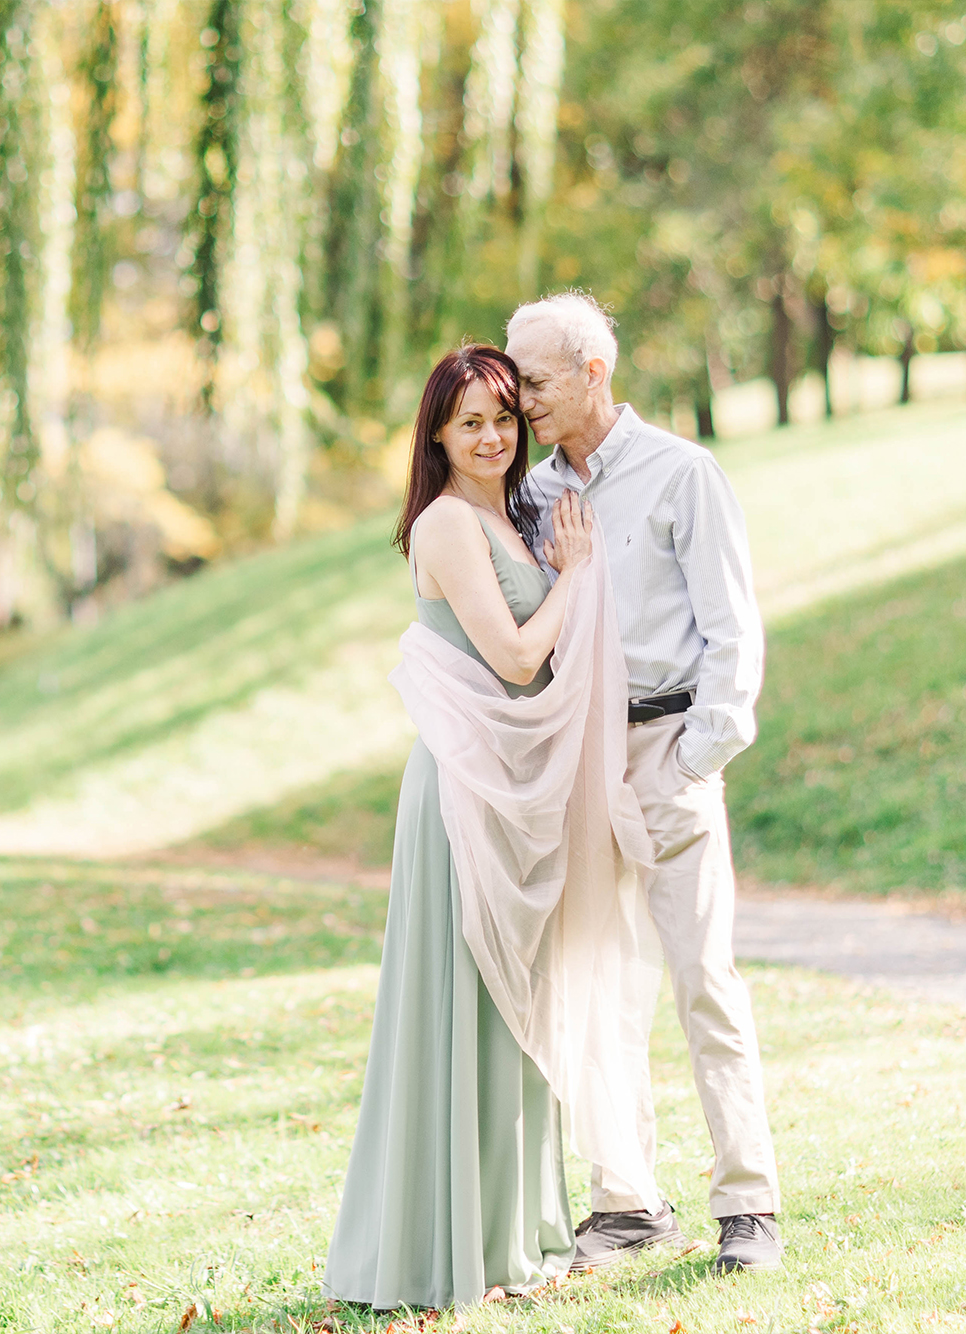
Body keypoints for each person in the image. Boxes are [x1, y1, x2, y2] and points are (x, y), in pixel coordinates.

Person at [323, 344, 665, 1310]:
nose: (491, 437)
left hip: (514, 791)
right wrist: (576, 575)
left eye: (505, 418)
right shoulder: (444, 524)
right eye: (469, 421)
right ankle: (443, 1247)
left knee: (518, 1007)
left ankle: (513, 1235)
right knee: (465, 1004)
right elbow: (516, 659)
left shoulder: (509, 519)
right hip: (462, 794)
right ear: (436, 435)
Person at [507, 292, 782, 1276]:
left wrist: (697, 756)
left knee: (704, 981)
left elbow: (731, 629)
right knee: (599, 988)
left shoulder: (681, 472)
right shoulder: (529, 496)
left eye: (535, 378)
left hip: (669, 749)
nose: (520, 397)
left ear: (593, 372)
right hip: (582, 761)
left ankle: (748, 1204)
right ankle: (625, 1200)